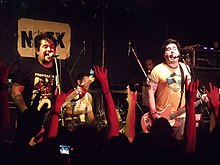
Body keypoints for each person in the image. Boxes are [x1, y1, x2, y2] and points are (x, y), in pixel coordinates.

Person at [10, 32, 73, 164]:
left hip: (51, 124)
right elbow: (16, 92)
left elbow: (67, 95)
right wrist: (26, 113)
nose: (49, 49)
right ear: (37, 51)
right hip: (28, 124)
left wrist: (77, 95)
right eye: (45, 46)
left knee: (50, 156)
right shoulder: (27, 67)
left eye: (52, 47)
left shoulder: (61, 72)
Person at [146, 38, 192, 140]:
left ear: (179, 53)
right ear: (164, 55)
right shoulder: (157, 69)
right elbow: (150, 93)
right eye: (168, 49)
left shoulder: (185, 68)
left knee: (179, 145)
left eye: (174, 49)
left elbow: (190, 91)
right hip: (162, 116)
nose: (172, 51)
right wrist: (154, 113)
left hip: (180, 115)